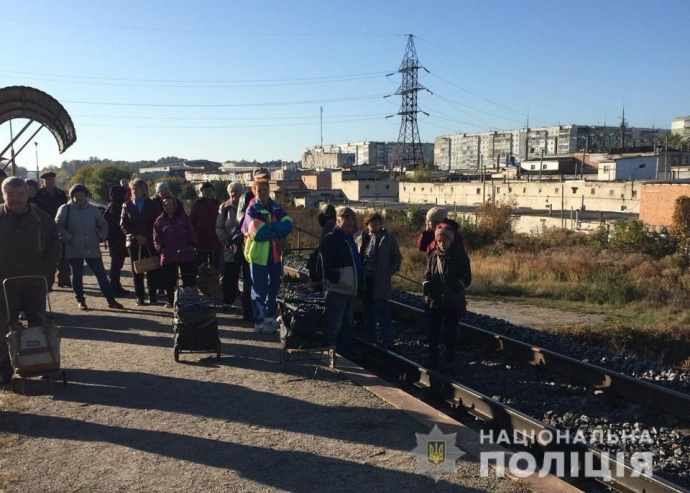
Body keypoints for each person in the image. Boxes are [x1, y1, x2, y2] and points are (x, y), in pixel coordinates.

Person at [0, 177, 62, 384]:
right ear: (3, 195)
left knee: (38, 324)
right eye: (10, 195)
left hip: (34, 282)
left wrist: (47, 273)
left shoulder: (42, 219)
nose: (15, 199)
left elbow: (54, 246)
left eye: (20, 194)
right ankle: (4, 369)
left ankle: (43, 364)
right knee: (3, 326)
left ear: (28, 195)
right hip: (3, 284)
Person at [55, 184, 124, 311]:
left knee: (101, 275)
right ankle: (80, 300)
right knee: (76, 276)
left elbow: (103, 224)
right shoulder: (65, 209)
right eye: (76, 195)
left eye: (81, 195)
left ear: (85, 196)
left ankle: (110, 300)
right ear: (72, 196)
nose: (79, 197)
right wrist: (69, 238)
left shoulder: (93, 209)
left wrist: (100, 237)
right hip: (74, 247)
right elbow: (58, 225)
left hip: (92, 247)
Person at [241, 176, 292, 333]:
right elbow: (258, 234)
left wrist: (270, 226)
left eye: (265, 190)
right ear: (254, 191)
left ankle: (269, 316)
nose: (262, 192)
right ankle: (259, 320)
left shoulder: (275, 207)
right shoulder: (251, 209)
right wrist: (276, 229)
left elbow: (288, 225)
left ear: (269, 191)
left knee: (273, 286)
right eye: (259, 190)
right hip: (258, 255)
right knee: (259, 289)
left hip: (274, 254)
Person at [422, 223, 472, 367]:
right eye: (439, 241)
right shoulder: (433, 255)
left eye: (444, 240)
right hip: (434, 299)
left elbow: (467, 276)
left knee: (450, 331)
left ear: (450, 240)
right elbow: (427, 273)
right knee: (433, 330)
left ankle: (449, 357)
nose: (441, 243)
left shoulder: (459, 254)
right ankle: (433, 357)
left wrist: (458, 285)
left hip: (451, 299)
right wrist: (427, 283)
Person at [320, 207, 363, 358]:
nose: (351, 222)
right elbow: (326, 266)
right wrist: (338, 279)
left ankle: (344, 355)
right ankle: (331, 355)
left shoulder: (349, 238)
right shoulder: (332, 238)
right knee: (335, 325)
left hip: (349, 289)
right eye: (347, 219)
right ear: (338, 220)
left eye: (352, 219)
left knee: (346, 326)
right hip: (338, 289)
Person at [355, 212, 402, 348]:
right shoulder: (361, 238)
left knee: (382, 310)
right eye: (371, 223)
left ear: (380, 223)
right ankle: (370, 337)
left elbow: (396, 257)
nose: (374, 225)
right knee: (368, 311)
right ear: (367, 225)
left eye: (377, 222)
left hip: (380, 280)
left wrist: (388, 272)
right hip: (365, 279)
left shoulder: (388, 239)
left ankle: (388, 339)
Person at [121, 178, 162, 306]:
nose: (134, 191)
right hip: (134, 242)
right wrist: (136, 236)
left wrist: (147, 237)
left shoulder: (153, 204)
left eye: (137, 189)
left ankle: (152, 295)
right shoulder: (127, 205)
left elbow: (158, 223)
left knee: (152, 268)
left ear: (144, 190)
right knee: (137, 270)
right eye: (132, 189)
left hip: (150, 241)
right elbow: (123, 224)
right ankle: (139, 296)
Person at [154, 196, 197, 308]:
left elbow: (191, 232)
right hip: (168, 253)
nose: (169, 207)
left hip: (185, 251)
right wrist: (161, 247)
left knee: (188, 277)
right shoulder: (159, 220)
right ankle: (171, 300)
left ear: (175, 205)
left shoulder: (184, 218)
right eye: (166, 205)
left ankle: (189, 299)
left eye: (171, 204)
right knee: (170, 279)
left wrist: (191, 243)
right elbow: (157, 237)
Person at [35, 170, 71, 289]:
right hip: (43, 227)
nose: (51, 181)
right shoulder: (38, 195)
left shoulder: (61, 194)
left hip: (60, 226)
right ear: (43, 181)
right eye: (48, 179)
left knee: (63, 254)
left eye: (52, 179)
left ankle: (64, 280)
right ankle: (48, 282)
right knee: (47, 256)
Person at [216, 182, 246, 311]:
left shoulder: (248, 206)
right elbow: (219, 227)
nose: (234, 193)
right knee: (230, 275)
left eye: (236, 191)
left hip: (247, 246)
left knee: (248, 275)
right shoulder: (224, 207)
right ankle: (228, 301)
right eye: (231, 191)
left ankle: (247, 303)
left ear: (242, 192)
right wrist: (227, 242)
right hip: (230, 247)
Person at [103, 185, 129, 296]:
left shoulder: (111, 206)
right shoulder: (116, 207)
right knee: (116, 264)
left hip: (115, 240)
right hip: (117, 240)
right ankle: (114, 287)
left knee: (117, 264)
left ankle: (115, 286)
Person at [189, 182, 222, 270]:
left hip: (215, 240)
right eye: (206, 190)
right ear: (202, 192)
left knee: (216, 264)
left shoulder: (218, 204)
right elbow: (191, 222)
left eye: (210, 190)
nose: (208, 192)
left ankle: (215, 278)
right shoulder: (197, 205)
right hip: (201, 240)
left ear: (213, 192)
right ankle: (202, 278)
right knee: (201, 264)